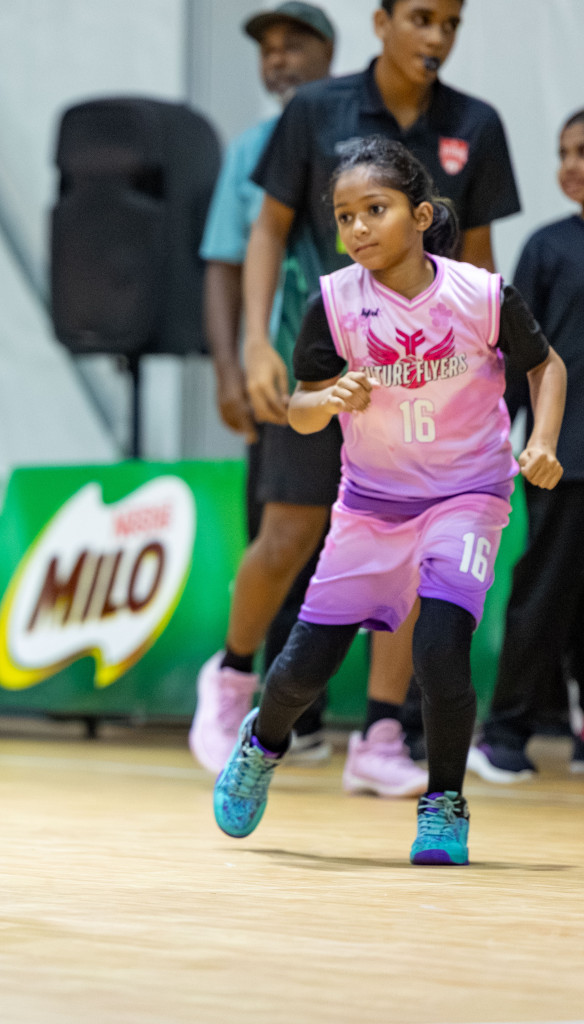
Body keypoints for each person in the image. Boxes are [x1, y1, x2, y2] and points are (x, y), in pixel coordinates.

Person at [213, 137, 565, 866]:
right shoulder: (335, 303)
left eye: (376, 209)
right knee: (302, 670)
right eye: (345, 216)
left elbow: (548, 366)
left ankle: (444, 805)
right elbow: (300, 409)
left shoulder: (481, 295)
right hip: (372, 504)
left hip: (468, 495)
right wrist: (323, 398)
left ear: (422, 214)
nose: (359, 228)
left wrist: (545, 441)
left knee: (441, 651)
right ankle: (261, 743)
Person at [208, 0, 523, 786]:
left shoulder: (475, 125)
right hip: (328, 366)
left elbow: (481, 270)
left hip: (433, 391)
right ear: (379, 23)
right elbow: (267, 230)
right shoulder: (318, 110)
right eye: (421, 18)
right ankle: (232, 682)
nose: (437, 37)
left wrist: (494, 390)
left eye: (450, 23)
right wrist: (253, 343)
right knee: (286, 533)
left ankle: (380, 736)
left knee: (418, 560)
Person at [196, 3, 381, 783]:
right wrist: (234, 369)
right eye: (267, 49)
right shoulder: (249, 148)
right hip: (288, 371)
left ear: (333, 50)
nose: (278, 59)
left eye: (293, 43)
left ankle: (350, 723)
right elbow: (224, 263)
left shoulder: (371, 133)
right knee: (282, 536)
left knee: (364, 542)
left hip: (379, 373)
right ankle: (251, 694)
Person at [470, 109, 584, 782]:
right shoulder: (546, 248)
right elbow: (518, 357)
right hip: (562, 459)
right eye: (564, 151)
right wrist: (493, 436)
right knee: (543, 595)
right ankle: (504, 734)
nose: (571, 164)